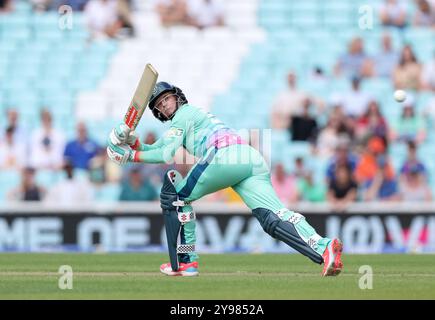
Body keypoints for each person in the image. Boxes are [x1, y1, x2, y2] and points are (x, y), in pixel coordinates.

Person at [107, 81, 343, 277]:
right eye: (160, 105)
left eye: (166, 99)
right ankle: (324, 247)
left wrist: (129, 156)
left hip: (224, 155)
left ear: (177, 97)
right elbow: (155, 148)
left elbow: (164, 155)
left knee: (177, 197)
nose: (165, 105)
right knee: (272, 218)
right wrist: (131, 142)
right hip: (249, 157)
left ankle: (187, 261)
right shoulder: (184, 121)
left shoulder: (184, 114)